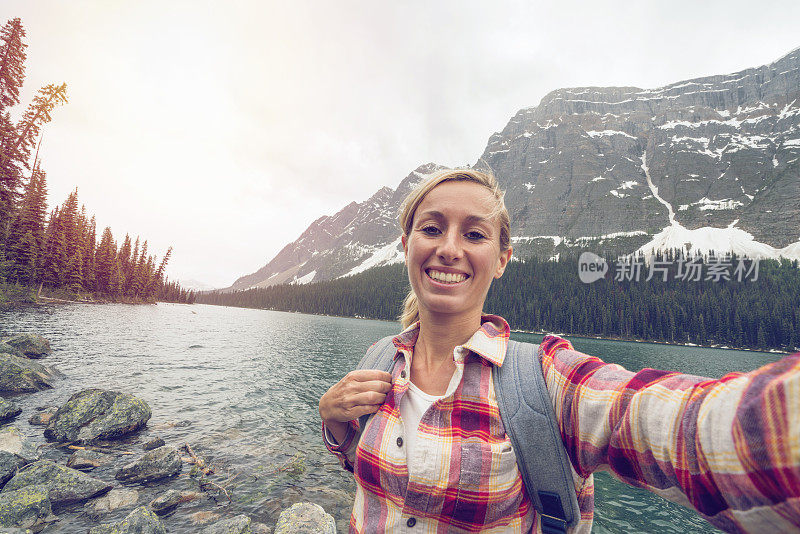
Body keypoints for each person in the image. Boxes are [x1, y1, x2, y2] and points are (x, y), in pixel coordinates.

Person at [318, 168, 800, 533]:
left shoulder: (543, 381)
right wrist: (334, 422)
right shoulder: (381, 358)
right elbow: (369, 469)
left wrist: (778, 427)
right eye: (431, 228)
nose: (448, 248)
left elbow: (664, 422)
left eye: (474, 234)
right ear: (406, 245)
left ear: (502, 260)